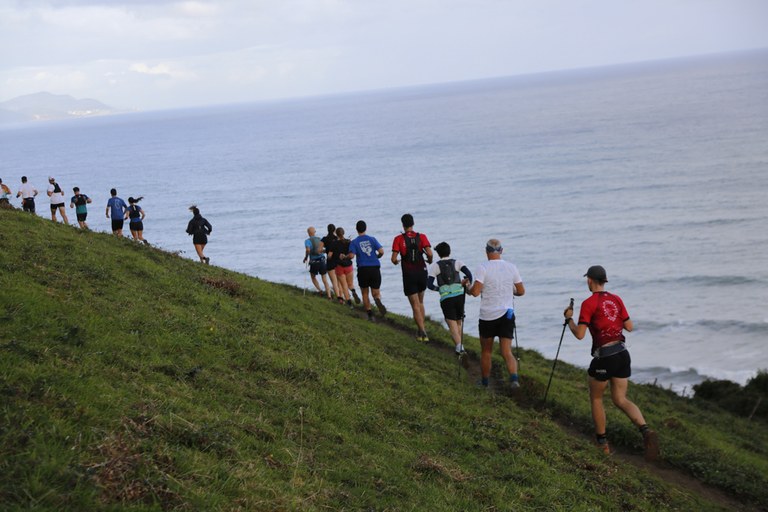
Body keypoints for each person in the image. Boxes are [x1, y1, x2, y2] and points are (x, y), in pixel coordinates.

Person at [563, 265, 659, 460]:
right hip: (623, 354)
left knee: (597, 398)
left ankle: (602, 443)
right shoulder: (616, 299)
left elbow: (580, 335)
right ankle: (646, 430)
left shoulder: (589, 303)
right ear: (604, 281)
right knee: (620, 399)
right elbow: (629, 327)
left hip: (605, 356)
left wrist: (569, 321)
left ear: (589, 280)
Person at [467, 239, 525, 389]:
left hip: (488, 315)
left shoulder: (483, 267)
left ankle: (485, 383)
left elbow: (475, 292)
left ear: (486, 251)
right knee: (506, 351)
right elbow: (521, 291)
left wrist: (466, 286)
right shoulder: (511, 267)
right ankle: (514, 379)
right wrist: (508, 289)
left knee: (486, 351)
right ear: (501, 251)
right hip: (507, 314)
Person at [391, 213, 433, 341]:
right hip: (422, 272)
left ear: (402, 225)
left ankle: (422, 331)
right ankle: (421, 332)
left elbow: (393, 259)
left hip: (409, 274)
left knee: (414, 305)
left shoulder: (398, 239)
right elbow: (430, 254)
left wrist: (396, 261)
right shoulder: (422, 237)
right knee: (420, 302)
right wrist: (429, 260)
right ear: (413, 224)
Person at [427, 241, 473, 357]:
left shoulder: (435, 266)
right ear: (449, 251)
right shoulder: (457, 262)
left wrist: (440, 289)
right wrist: (466, 283)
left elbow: (429, 285)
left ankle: (460, 349)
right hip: (459, 296)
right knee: (458, 322)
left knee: (451, 324)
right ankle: (459, 347)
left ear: (438, 254)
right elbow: (469, 274)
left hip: (447, 299)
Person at [348, 220, 386, 321]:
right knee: (376, 292)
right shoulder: (372, 239)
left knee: (365, 293)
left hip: (363, 269)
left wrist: (345, 256)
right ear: (366, 228)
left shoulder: (354, 242)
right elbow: (381, 251)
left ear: (356, 229)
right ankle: (377, 299)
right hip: (374, 268)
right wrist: (378, 256)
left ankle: (369, 314)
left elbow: (351, 256)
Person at [327, 226, 354, 307]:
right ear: (344, 233)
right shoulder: (349, 242)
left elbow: (329, 256)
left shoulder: (334, 243)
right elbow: (352, 254)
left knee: (343, 285)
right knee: (350, 284)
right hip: (349, 266)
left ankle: (349, 303)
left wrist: (332, 255)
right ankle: (353, 290)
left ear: (336, 234)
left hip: (339, 266)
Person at [303, 226, 332, 299]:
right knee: (324, 279)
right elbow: (325, 249)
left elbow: (308, 250)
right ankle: (329, 296)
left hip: (314, 262)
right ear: (314, 232)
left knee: (313, 277)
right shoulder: (320, 239)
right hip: (322, 260)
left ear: (308, 233)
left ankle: (320, 291)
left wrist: (306, 257)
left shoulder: (307, 241)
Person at [321, 224, 340, 301]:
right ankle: (344, 297)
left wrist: (326, 250)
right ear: (334, 230)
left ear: (327, 230)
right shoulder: (337, 238)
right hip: (338, 261)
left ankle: (339, 298)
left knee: (334, 282)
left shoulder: (324, 239)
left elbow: (319, 250)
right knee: (340, 282)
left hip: (330, 262)